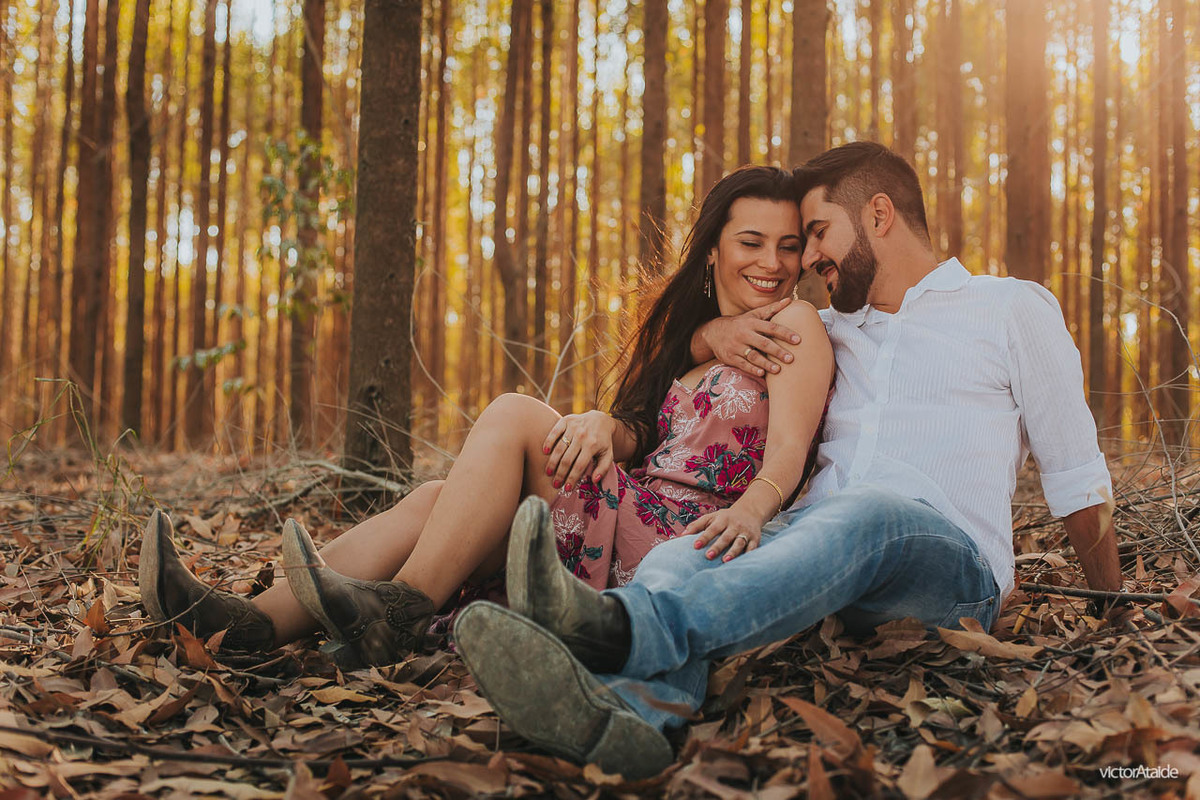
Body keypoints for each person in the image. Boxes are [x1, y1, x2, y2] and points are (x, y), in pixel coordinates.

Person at [451, 142, 1123, 780]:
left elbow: (1074, 471)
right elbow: (700, 341)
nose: (810, 260)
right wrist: (710, 331)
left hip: (947, 566)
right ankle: (634, 717)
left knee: (870, 511)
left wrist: (1111, 609)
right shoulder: (830, 329)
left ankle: (612, 630)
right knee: (686, 553)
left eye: (819, 234)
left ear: (879, 215)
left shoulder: (1008, 309)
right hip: (815, 557)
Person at [138, 165, 834, 670]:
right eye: (751, 241)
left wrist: (752, 511)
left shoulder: (798, 321)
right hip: (632, 510)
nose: (771, 261)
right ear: (713, 248)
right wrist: (608, 418)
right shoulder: (689, 335)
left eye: (787, 245)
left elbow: (791, 452)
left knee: (512, 413)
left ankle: (404, 608)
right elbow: (645, 433)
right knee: (436, 499)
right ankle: (251, 624)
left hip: (688, 543)